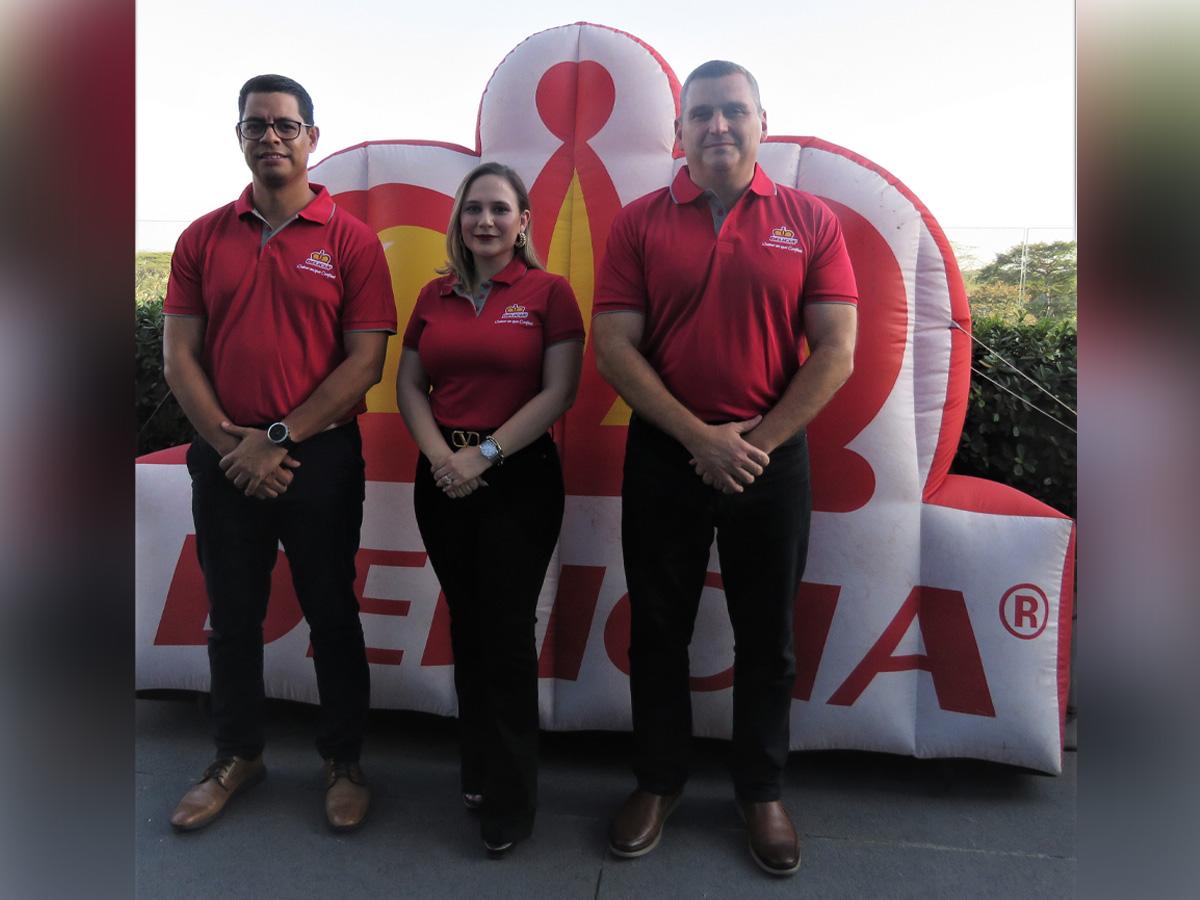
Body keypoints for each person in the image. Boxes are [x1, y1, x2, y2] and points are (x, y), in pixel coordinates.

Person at [592, 60, 859, 876]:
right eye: (701, 113)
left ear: (761, 123)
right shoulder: (638, 223)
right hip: (665, 454)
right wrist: (699, 439)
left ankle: (760, 791)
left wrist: (755, 444)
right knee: (658, 630)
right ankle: (658, 781)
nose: (718, 126)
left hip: (770, 459)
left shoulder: (809, 220)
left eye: (733, 111)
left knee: (767, 637)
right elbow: (614, 347)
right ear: (677, 131)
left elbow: (837, 351)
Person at [162, 74, 396, 833]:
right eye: (255, 125)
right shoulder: (202, 237)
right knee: (232, 616)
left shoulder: (351, 240)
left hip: (318, 457)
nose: (271, 137)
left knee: (332, 612)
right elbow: (179, 357)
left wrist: (276, 440)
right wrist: (231, 445)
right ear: (239, 137)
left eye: (286, 125)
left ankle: (344, 761)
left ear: (311, 138)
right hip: (225, 453)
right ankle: (237, 755)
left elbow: (365, 363)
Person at [396, 162, 584, 857]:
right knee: (468, 625)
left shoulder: (549, 293)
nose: (485, 221)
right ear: (458, 218)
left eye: (500, 209)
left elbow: (559, 391)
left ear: (523, 222)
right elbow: (410, 385)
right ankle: (476, 768)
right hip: (443, 479)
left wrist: (485, 455)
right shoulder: (434, 294)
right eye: (473, 208)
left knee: (505, 633)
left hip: (518, 479)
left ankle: (511, 797)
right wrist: (441, 458)